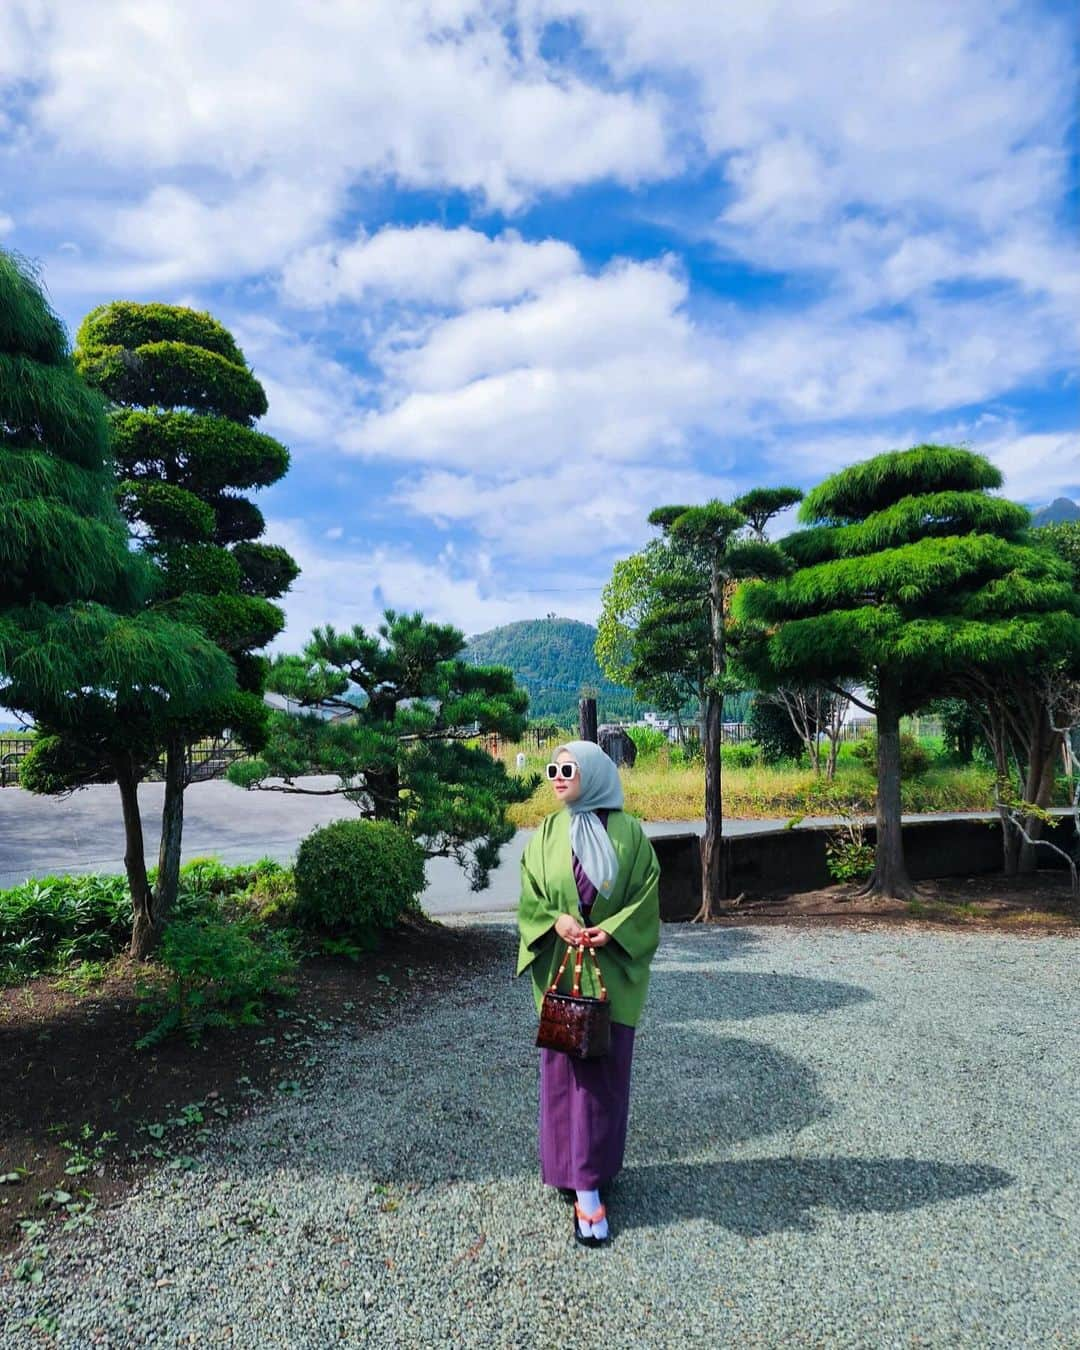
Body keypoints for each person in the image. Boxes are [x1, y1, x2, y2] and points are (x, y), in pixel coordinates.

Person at [516, 739, 661, 1248]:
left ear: (595, 774)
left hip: (609, 975)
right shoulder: (547, 833)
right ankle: (571, 1171)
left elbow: (646, 900)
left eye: (567, 769)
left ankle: (590, 1182)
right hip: (562, 973)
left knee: (600, 1076)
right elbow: (530, 894)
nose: (556, 777)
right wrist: (554, 919)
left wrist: (613, 929)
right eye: (552, 769)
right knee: (562, 1077)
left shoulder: (630, 834)